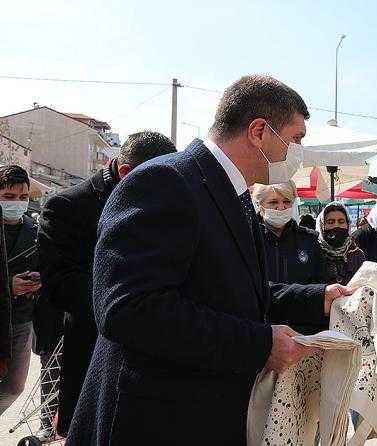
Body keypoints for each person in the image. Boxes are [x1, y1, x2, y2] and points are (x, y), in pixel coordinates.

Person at [66, 75, 357, 446]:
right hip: (153, 422)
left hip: (201, 414)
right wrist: (258, 344)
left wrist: (317, 297)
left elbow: (229, 289)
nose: (297, 152)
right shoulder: (165, 182)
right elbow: (129, 309)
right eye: (295, 138)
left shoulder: (232, 194)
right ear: (259, 132)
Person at [38, 132, 176, 436]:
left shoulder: (158, 202)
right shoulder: (67, 206)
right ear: (125, 173)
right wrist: (127, 305)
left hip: (154, 362)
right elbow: (60, 284)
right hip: (94, 352)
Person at [252, 182, 328, 335]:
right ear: (260, 205)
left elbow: (321, 281)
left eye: (286, 202)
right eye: (273, 202)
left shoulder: (309, 240)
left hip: (303, 331)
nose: (281, 207)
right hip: (261, 330)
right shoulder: (249, 240)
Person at [0, 166, 42, 416]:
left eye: (23, 197)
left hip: (21, 319)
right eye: (9, 197)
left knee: (15, 387)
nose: (17, 203)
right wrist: (7, 286)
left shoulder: (34, 230)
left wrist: (39, 280)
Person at [315, 202, 366, 285]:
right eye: (331, 222)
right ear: (322, 226)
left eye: (341, 222)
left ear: (348, 224)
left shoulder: (357, 255)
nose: (336, 226)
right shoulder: (314, 252)